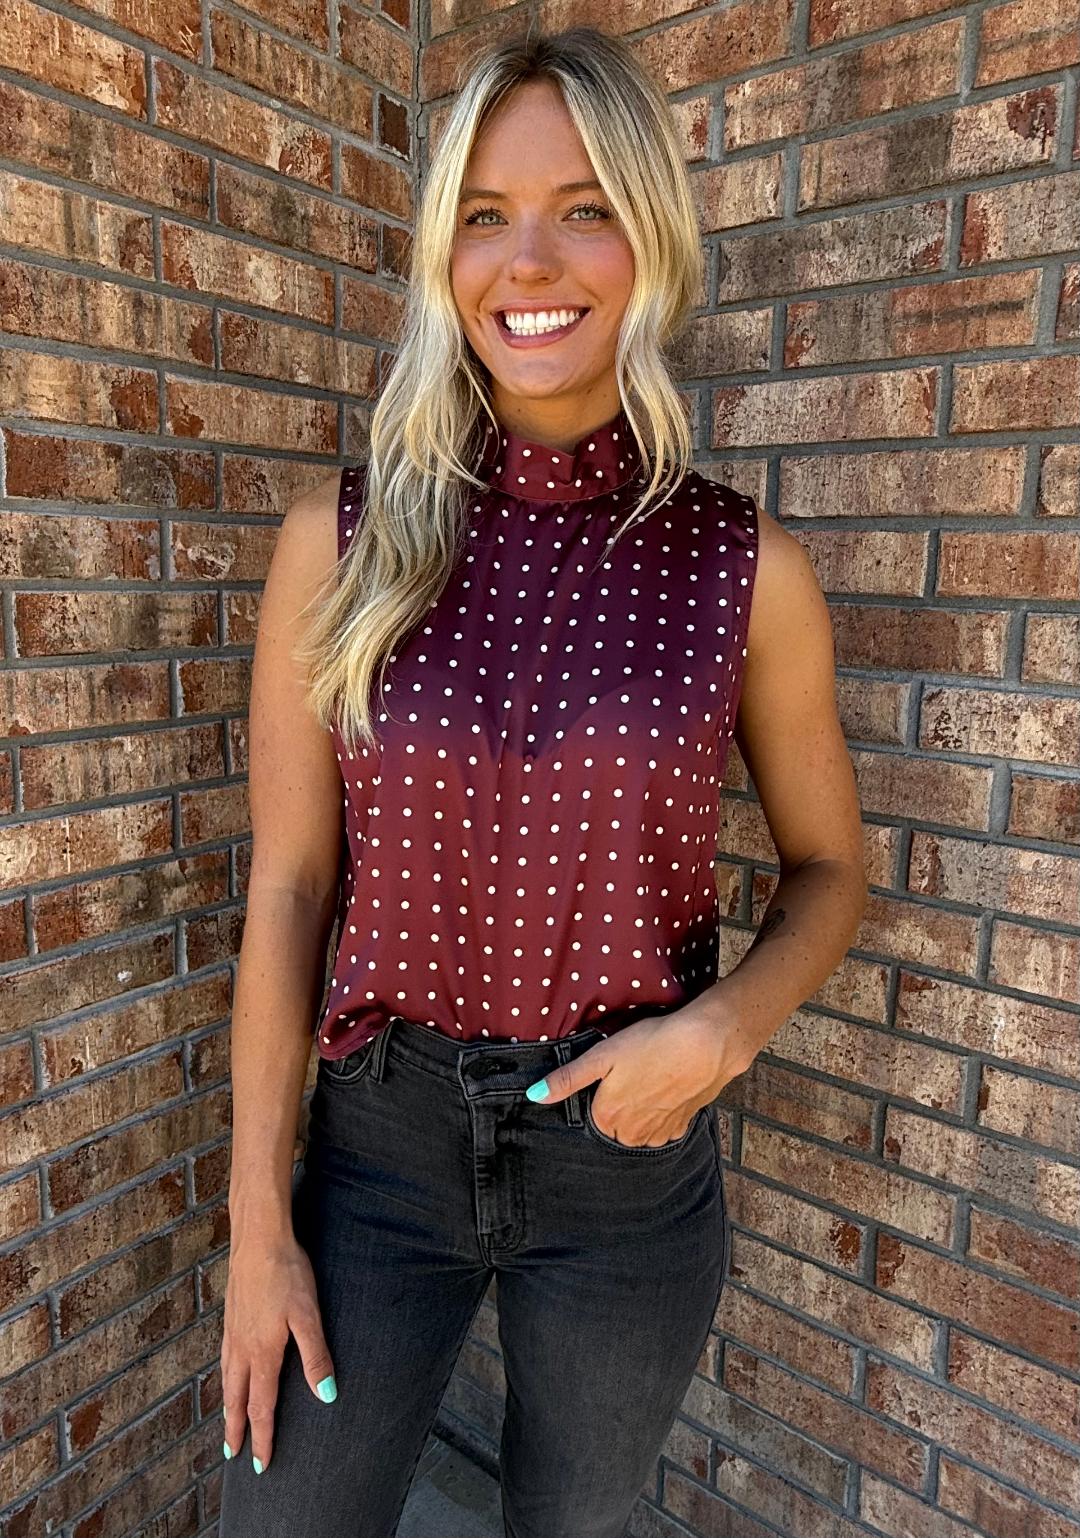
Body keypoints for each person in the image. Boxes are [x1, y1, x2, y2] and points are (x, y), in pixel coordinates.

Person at [217, 24, 866, 1538]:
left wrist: (722, 1032)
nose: (529, 261)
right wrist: (256, 1223)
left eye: (584, 209)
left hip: (621, 1170)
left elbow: (833, 868)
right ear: (443, 255)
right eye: (485, 216)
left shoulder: (744, 568)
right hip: (376, 1156)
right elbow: (292, 887)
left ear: (651, 242)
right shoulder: (339, 542)